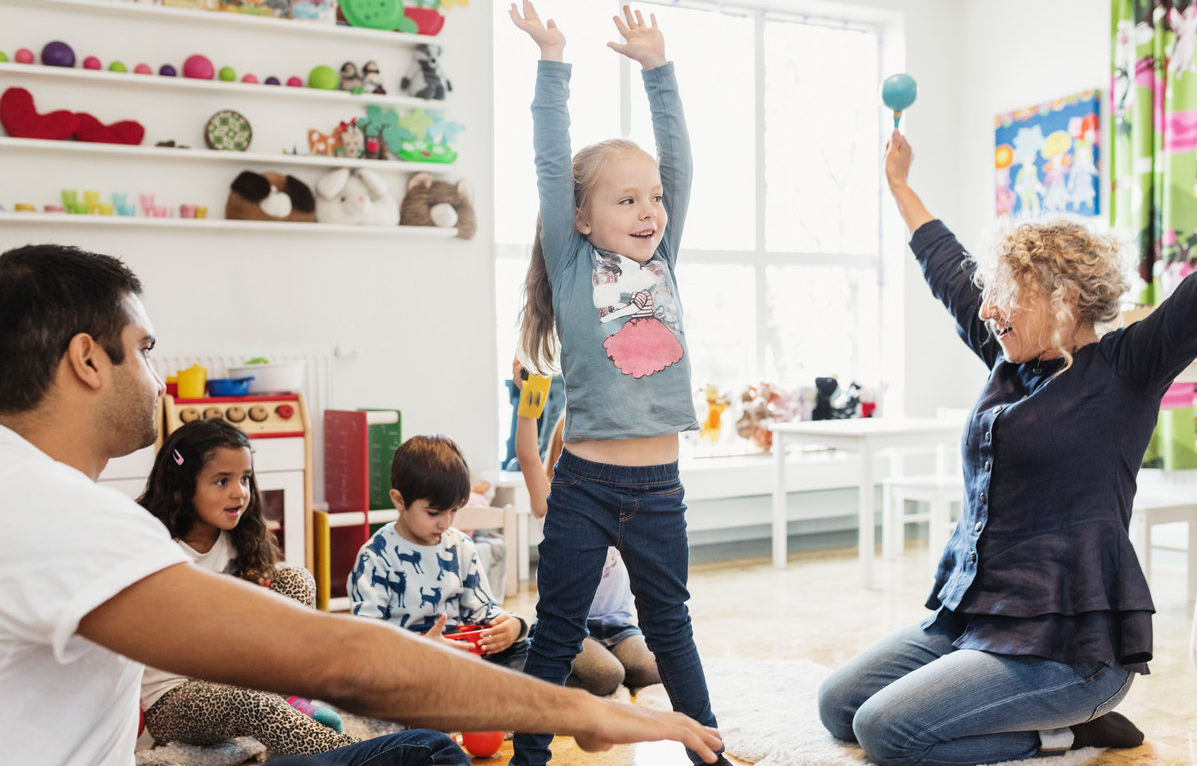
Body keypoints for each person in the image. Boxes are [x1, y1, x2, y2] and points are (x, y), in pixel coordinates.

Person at [0, 242, 724, 766]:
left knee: (422, 751)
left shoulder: (32, 489)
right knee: (428, 756)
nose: (158, 376)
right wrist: (585, 710)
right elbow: (345, 661)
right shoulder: (53, 511)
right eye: (146, 348)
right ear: (89, 359)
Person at [815, 130, 1195, 764]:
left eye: (1006, 294)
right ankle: (1038, 719)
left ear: (1064, 299)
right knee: (839, 707)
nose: (989, 309)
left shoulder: (1127, 369)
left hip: (1071, 649)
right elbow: (945, 265)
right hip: (978, 621)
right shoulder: (1007, 359)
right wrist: (901, 186)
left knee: (888, 732)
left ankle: (1064, 729)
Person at [508, 0, 727, 766]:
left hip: (659, 488)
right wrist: (552, 61)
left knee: (670, 627)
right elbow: (548, 155)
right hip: (585, 486)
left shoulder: (662, 263)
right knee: (558, 627)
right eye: (626, 199)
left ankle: (708, 751)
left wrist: (659, 71)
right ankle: (528, 755)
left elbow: (681, 163)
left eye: (654, 198)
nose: (648, 210)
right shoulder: (574, 269)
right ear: (580, 217)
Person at [137, 418, 454, 759]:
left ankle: (290, 701)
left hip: (236, 671)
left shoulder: (235, 538)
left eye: (245, 478)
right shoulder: (159, 549)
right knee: (255, 704)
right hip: (175, 698)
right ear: (182, 488)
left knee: (294, 578)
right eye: (221, 481)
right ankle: (363, 756)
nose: (239, 492)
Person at [512, 359, 660, 696]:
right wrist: (529, 398)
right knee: (607, 676)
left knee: (650, 668)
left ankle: (596, 662)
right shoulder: (553, 505)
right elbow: (527, 456)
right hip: (570, 627)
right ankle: (540, 669)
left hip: (619, 626)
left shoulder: (621, 500)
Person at [347, 434, 529, 671]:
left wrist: (512, 626)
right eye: (434, 513)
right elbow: (365, 636)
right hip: (406, 661)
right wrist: (422, 649)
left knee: (526, 648)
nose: (445, 523)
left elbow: (483, 608)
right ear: (399, 500)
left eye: (453, 510)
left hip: (459, 653)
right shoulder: (375, 556)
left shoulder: (461, 546)